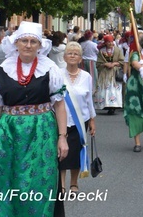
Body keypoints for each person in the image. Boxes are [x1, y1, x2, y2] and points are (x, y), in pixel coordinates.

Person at [0, 21, 68, 216]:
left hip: (42, 133)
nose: (28, 45)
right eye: (24, 41)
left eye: (33, 41)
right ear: (16, 44)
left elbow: (59, 104)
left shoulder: (49, 68)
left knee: (38, 183)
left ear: (40, 45)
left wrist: (62, 137)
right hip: (8, 133)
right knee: (5, 181)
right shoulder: (4, 69)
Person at [60, 42, 96, 193]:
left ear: (81, 58)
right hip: (61, 122)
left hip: (81, 121)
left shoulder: (86, 76)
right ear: (64, 56)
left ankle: (74, 183)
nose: (73, 55)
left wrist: (93, 120)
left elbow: (89, 100)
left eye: (76, 53)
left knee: (76, 153)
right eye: (70, 53)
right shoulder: (57, 74)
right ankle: (61, 185)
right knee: (60, 154)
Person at [94, 34, 124, 115]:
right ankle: (106, 104)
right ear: (105, 43)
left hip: (114, 74)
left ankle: (113, 106)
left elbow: (122, 61)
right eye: (108, 42)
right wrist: (105, 64)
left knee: (114, 90)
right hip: (105, 74)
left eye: (111, 42)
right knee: (105, 89)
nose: (110, 44)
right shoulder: (102, 51)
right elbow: (98, 63)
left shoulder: (117, 50)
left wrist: (114, 64)